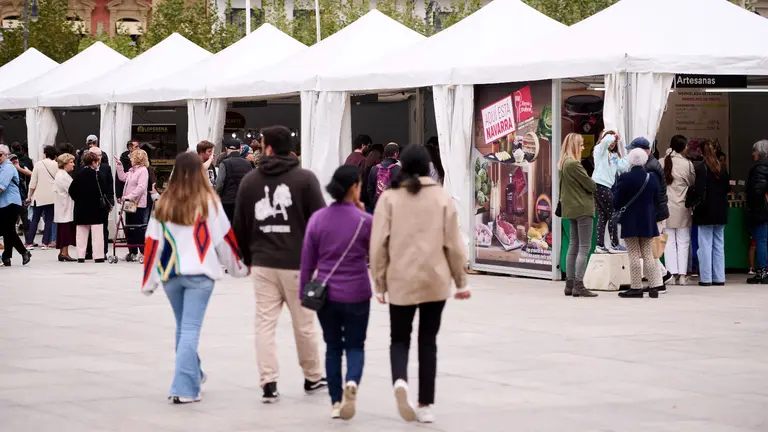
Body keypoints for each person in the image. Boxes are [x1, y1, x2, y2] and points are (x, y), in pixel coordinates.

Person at [370, 145, 469, 424]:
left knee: (399, 339)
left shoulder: (389, 198)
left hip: (400, 280)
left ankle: (400, 380)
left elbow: (378, 245)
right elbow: (454, 244)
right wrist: (461, 282)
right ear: (427, 167)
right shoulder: (441, 197)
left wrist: (379, 283)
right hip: (434, 281)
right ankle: (425, 404)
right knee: (428, 340)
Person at [142, 152, 248, 404]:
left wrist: (149, 280)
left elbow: (152, 243)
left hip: (171, 275)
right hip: (200, 273)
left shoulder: (164, 203)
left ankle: (193, 373)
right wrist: (238, 268)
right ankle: (184, 387)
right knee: (189, 329)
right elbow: (225, 240)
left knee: (183, 328)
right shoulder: (209, 203)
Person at [233, 125, 327, 404]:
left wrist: (248, 258)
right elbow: (319, 222)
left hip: (263, 263)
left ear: (269, 148)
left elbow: (239, 225)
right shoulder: (305, 179)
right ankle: (312, 377)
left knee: (264, 323)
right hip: (298, 263)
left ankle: (268, 382)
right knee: (305, 324)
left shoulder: (251, 181)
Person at [300, 165, 372, 420]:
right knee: (355, 346)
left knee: (332, 347)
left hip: (326, 295)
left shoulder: (318, 219)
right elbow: (376, 254)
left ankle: (335, 401)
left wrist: (302, 293)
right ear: (353, 187)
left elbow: (307, 261)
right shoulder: (365, 220)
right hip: (357, 293)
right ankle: (352, 381)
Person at [613, 148, 663, 298]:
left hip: (630, 220)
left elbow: (616, 201)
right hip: (648, 219)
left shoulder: (624, 178)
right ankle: (654, 286)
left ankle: (636, 287)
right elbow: (657, 199)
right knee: (648, 254)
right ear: (644, 161)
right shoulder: (652, 177)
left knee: (633, 253)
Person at [626, 137, 672, 287]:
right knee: (650, 251)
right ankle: (662, 276)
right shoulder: (651, 164)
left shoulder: (650, 168)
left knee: (650, 251)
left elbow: (653, 195)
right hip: (654, 212)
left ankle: (659, 283)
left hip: (654, 214)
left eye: (634, 150)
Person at [559, 133, 597, 298]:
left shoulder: (563, 163)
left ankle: (570, 283)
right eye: (581, 145)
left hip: (570, 209)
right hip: (582, 208)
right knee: (584, 247)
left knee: (573, 245)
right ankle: (579, 285)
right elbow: (591, 185)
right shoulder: (574, 164)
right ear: (575, 146)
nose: (583, 148)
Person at [691, 139, 730, 287]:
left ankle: (706, 278)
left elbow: (699, 190)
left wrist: (693, 202)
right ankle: (719, 277)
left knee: (705, 244)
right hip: (720, 209)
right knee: (719, 245)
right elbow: (726, 189)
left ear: (701, 151)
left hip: (705, 210)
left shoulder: (701, 168)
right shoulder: (723, 168)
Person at [660, 135, 695, 286]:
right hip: (682, 207)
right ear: (683, 147)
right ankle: (682, 275)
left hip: (666, 208)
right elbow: (692, 182)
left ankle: (671, 274)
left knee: (668, 243)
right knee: (683, 242)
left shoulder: (661, 162)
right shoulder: (687, 164)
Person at [69, 150, 110, 263]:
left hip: (81, 208)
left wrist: (78, 199)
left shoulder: (79, 174)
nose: (98, 164)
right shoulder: (97, 175)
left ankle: (81, 256)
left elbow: (71, 190)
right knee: (97, 234)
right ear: (93, 162)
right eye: (97, 162)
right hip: (96, 208)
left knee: (81, 234)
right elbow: (105, 189)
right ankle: (98, 256)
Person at [591, 130, 628, 254]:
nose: (613, 143)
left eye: (615, 141)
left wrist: (629, 157)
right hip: (601, 184)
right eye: (611, 140)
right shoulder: (599, 149)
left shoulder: (612, 155)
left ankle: (600, 245)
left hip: (602, 185)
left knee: (603, 216)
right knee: (613, 213)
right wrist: (614, 136)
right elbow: (605, 142)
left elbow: (622, 167)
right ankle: (614, 244)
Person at [115, 149, 150, 262]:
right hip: (129, 203)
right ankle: (132, 251)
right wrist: (119, 166)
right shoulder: (132, 171)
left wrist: (129, 196)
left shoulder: (143, 171)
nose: (130, 159)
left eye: (132, 157)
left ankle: (143, 252)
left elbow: (141, 187)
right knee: (130, 228)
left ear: (137, 158)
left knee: (138, 228)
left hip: (138, 203)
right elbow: (123, 178)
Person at [0, 144, 32, 266]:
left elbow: (2, 187)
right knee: (8, 230)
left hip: (11, 202)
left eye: (0, 154)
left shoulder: (7, 167)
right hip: (4, 203)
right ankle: (7, 256)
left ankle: (23, 252)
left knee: (7, 230)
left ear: (6, 155)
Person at [25, 145, 59, 250]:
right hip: (52, 196)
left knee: (35, 219)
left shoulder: (39, 164)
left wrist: (29, 196)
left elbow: (33, 182)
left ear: (45, 153)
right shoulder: (57, 165)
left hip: (39, 197)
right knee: (49, 220)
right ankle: (45, 243)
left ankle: (29, 242)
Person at [83, 147, 114, 259]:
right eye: (97, 155)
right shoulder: (84, 168)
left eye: (101, 155)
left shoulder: (106, 168)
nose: (99, 157)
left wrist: (111, 201)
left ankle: (103, 251)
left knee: (103, 227)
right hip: (89, 203)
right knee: (89, 227)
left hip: (102, 203)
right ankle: (89, 251)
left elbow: (110, 185)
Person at [745, 139, 768, 284]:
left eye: (754, 151)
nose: (752, 154)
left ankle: (763, 271)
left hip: (762, 211)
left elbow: (757, 191)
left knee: (761, 240)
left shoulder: (760, 168)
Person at [216, 137, 253, 222]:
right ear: (239, 149)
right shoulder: (248, 164)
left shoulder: (224, 163)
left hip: (227, 201)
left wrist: (217, 196)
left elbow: (219, 184)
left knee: (227, 226)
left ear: (226, 149)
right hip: (242, 201)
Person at [53, 153, 76, 262]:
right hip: (65, 206)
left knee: (63, 229)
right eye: (71, 162)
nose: (73, 165)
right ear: (65, 164)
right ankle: (64, 252)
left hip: (63, 206)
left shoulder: (61, 174)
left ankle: (63, 251)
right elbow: (72, 189)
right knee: (65, 229)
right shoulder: (63, 176)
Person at [367, 143, 401, 209]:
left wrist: (374, 203)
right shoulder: (398, 169)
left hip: (378, 205)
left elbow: (369, 189)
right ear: (395, 154)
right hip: (393, 206)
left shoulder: (374, 169)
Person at [361, 143, 384, 213]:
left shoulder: (366, 168)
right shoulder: (375, 171)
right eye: (380, 158)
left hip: (364, 200)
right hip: (370, 203)